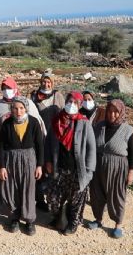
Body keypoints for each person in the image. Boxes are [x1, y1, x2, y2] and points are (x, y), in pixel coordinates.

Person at [45, 91, 96, 235]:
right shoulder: (56, 121)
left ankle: (73, 222)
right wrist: (48, 160)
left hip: (77, 169)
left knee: (76, 199)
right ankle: (57, 218)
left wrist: (89, 170)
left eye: (75, 102)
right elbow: (48, 142)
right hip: (58, 167)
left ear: (80, 105)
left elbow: (91, 147)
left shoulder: (84, 123)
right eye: (69, 101)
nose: (71, 105)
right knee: (53, 197)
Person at [88, 99, 133, 239]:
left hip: (118, 167)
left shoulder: (127, 130)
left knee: (116, 196)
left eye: (115, 111)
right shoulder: (99, 126)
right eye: (109, 111)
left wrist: (131, 172)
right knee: (96, 194)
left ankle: (118, 225)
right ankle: (98, 220)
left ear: (121, 112)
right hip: (98, 165)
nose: (112, 114)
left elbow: (132, 153)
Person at [0, 97, 44, 236]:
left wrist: (39, 165)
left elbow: (40, 145)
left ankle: (29, 221)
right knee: (12, 189)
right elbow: (1, 147)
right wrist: (2, 166)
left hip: (29, 160)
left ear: (26, 108)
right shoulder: (6, 124)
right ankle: (14, 219)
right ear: (11, 109)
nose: (18, 111)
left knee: (28, 189)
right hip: (11, 160)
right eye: (15, 108)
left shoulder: (34, 122)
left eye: (21, 108)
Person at [30, 73, 65, 211]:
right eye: (44, 81)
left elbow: (64, 115)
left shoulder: (58, 96)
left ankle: (54, 199)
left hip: (55, 138)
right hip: (38, 138)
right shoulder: (33, 96)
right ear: (41, 82)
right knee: (38, 167)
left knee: (53, 168)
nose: (46, 84)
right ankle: (39, 200)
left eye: (49, 82)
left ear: (53, 83)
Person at [0, 77, 45, 154]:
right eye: (4, 88)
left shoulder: (27, 103)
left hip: (28, 148)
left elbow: (38, 124)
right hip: (5, 148)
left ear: (15, 88)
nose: (6, 91)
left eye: (9, 88)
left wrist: (40, 146)